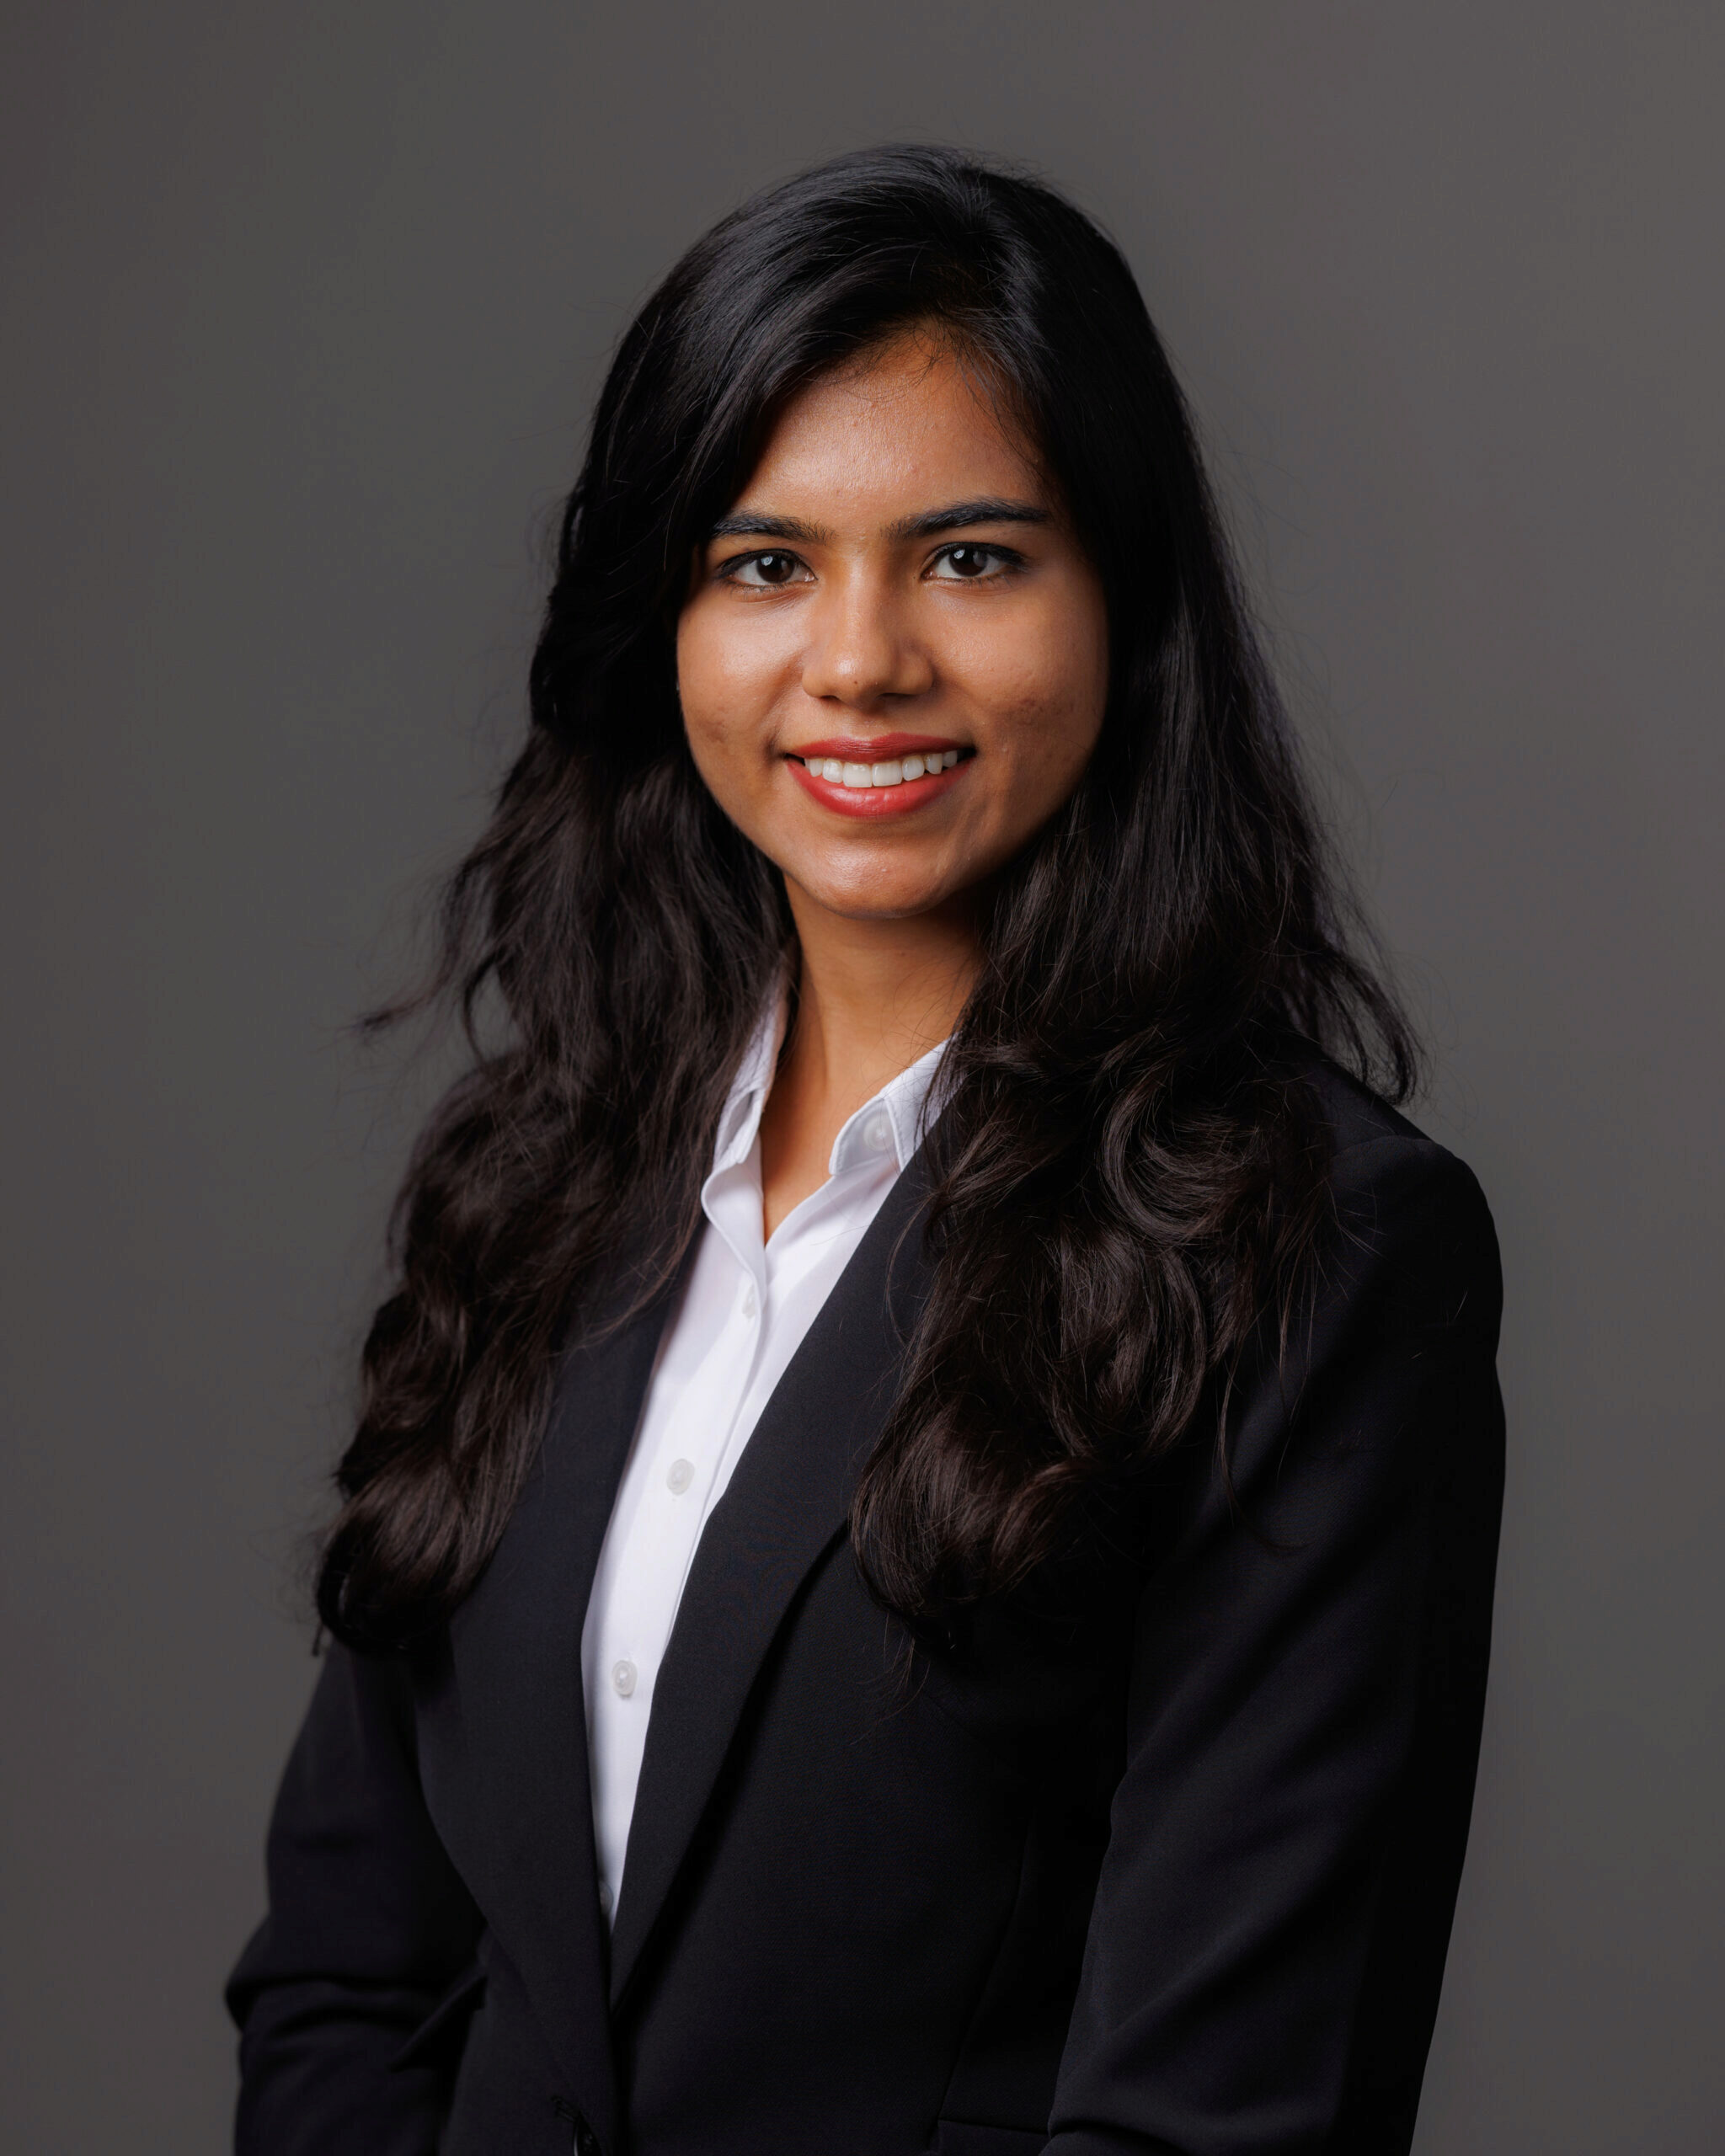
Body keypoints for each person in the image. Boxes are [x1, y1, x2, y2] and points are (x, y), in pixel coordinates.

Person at [226, 146, 1504, 2156]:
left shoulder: (1318, 1249)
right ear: (663, 618)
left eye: (972, 556)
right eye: (764, 562)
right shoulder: (540, 1176)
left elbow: (1217, 2117)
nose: (859, 660)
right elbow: (343, 1979)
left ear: (1123, 597)